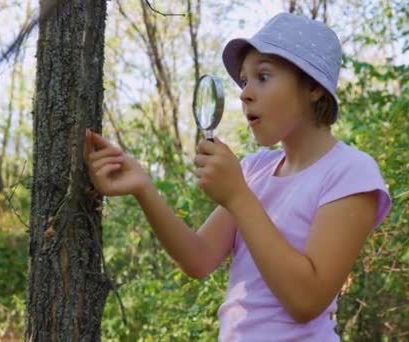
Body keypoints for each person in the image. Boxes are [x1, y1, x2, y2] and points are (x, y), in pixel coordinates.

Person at [84, 12, 391, 341]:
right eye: (244, 81)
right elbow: (198, 258)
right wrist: (143, 186)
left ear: (314, 87)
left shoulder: (351, 171)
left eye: (263, 76)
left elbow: (307, 300)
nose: (244, 94)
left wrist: (237, 196)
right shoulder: (255, 170)